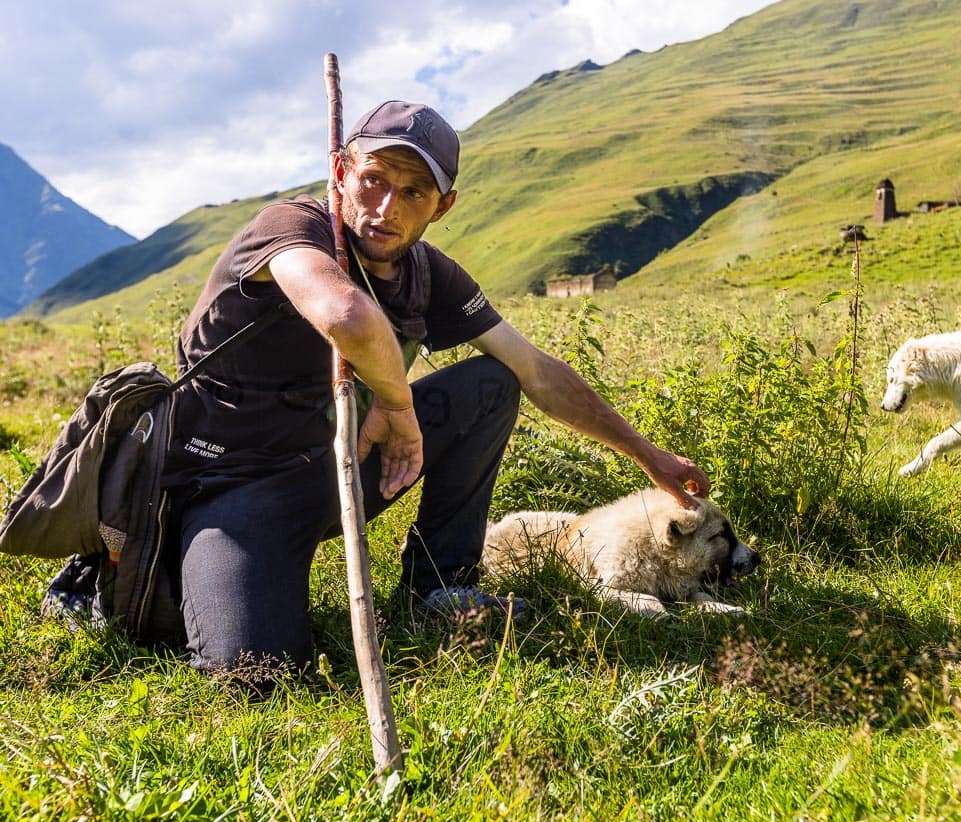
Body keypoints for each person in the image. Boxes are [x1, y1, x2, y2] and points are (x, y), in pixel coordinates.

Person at [149, 100, 708, 673]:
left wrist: (646, 455)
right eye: (373, 180)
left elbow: (537, 371)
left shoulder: (428, 273)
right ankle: (124, 577)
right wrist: (396, 402)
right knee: (257, 672)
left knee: (492, 382)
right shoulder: (290, 230)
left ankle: (438, 587)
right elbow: (345, 316)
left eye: (414, 192)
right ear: (340, 173)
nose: (386, 207)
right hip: (227, 489)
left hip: (330, 472)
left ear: (442, 207)